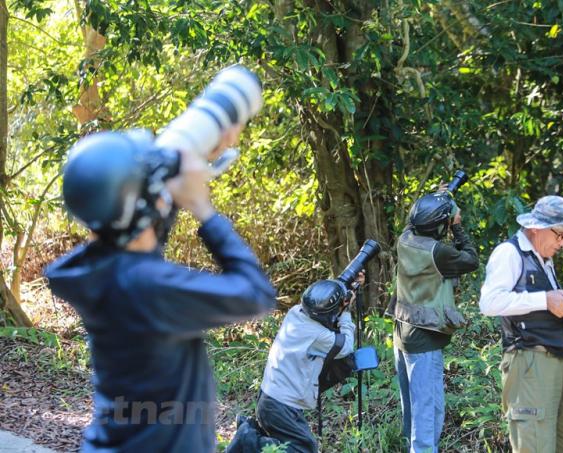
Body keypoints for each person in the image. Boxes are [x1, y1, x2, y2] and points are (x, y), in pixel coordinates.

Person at [44, 126, 277, 452]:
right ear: (145, 206)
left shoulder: (104, 271)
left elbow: (144, 238)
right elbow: (257, 293)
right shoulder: (148, 286)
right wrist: (203, 209)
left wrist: (182, 170)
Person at [479, 195, 563, 453]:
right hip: (530, 363)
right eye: (559, 235)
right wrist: (545, 300)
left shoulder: (543, 259)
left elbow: (543, 302)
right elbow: (489, 303)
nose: (562, 243)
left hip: (560, 360)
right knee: (534, 445)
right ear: (536, 228)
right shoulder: (509, 253)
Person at [387, 191, 479, 453]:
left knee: (416, 409)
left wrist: (438, 200)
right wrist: (457, 226)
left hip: (402, 332)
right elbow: (471, 259)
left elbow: (416, 219)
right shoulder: (437, 252)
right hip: (424, 340)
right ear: (441, 225)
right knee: (426, 412)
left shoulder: (404, 239)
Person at [252, 275, 363, 453]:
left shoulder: (296, 312)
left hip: (271, 399)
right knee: (304, 449)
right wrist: (347, 310)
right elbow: (346, 346)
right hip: (280, 405)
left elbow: (324, 298)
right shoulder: (318, 335)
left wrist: (345, 290)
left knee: (293, 447)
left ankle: (253, 440)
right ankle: (249, 441)